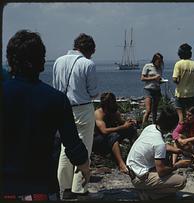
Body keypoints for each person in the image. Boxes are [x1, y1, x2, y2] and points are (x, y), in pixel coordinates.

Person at [2, 30, 90, 200]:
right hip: (40, 187)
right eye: (42, 55)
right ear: (36, 62)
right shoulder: (56, 99)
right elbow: (73, 146)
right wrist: (84, 167)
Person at [53, 33, 99, 199]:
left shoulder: (58, 61)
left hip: (63, 108)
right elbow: (93, 92)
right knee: (84, 147)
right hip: (82, 108)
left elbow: (55, 88)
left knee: (66, 147)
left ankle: (63, 188)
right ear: (89, 50)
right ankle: (80, 188)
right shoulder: (88, 64)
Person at [126, 106, 187, 200]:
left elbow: (156, 145)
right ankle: (150, 194)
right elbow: (161, 171)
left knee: (164, 161)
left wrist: (177, 150)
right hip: (140, 178)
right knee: (181, 181)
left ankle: (149, 190)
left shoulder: (150, 128)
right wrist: (178, 165)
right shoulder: (159, 143)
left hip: (133, 170)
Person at [92, 92, 138, 173]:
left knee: (131, 129)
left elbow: (121, 122)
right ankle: (121, 164)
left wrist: (129, 123)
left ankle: (136, 155)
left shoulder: (114, 111)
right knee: (113, 136)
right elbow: (104, 131)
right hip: (98, 139)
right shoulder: (98, 113)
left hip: (112, 136)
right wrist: (123, 127)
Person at [172, 43, 194, 124]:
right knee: (191, 117)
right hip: (192, 93)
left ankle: (179, 134)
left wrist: (179, 81)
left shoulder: (178, 64)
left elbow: (175, 79)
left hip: (180, 94)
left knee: (181, 118)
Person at [141, 53, 164, 125]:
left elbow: (158, 79)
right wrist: (153, 78)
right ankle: (143, 125)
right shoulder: (148, 66)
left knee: (155, 110)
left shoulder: (159, 68)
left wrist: (160, 81)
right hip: (148, 89)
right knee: (148, 110)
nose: (160, 63)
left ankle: (154, 124)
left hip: (156, 89)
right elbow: (142, 78)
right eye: (158, 61)